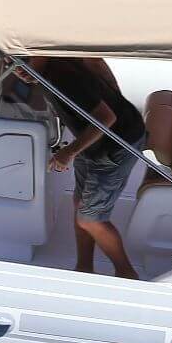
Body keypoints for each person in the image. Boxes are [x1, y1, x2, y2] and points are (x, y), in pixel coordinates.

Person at [18, 56, 144, 279]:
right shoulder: (55, 65)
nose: (18, 68)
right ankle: (84, 268)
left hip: (115, 145)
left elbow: (106, 118)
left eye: (25, 60)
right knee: (79, 206)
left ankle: (127, 275)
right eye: (10, 63)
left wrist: (69, 152)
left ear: (40, 53)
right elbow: (99, 66)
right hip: (92, 140)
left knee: (90, 219)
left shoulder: (63, 76)